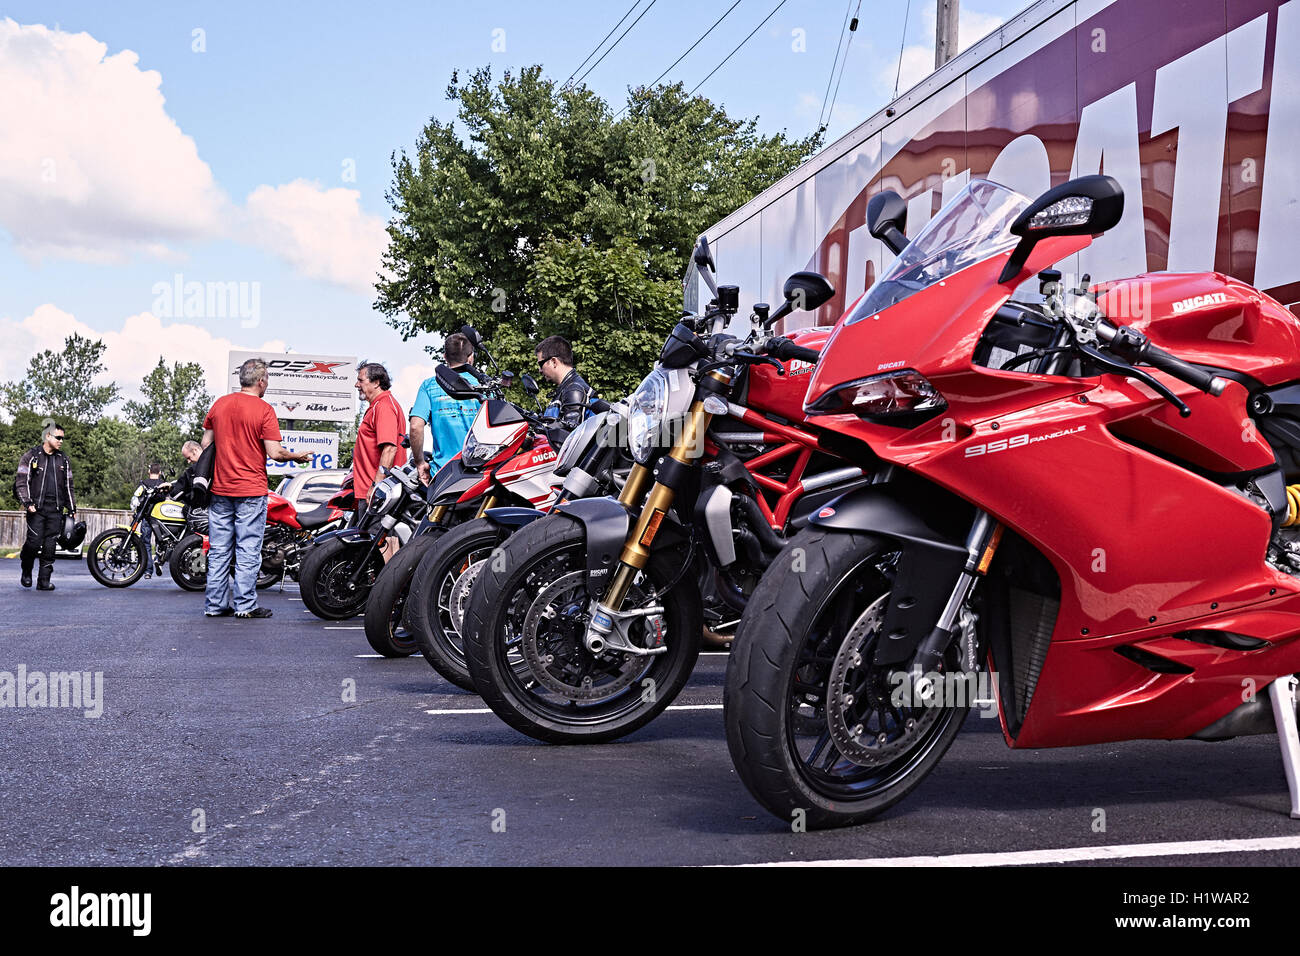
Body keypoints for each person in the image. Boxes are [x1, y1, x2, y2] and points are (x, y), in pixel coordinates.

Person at [201, 358, 310, 619]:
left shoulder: (220, 404)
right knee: (248, 548)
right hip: (251, 489)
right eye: (267, 380)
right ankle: (245, 605)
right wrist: (297, 457)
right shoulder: (263, 410)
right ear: (261, 381)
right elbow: (274, 453)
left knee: (218, 549)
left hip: (220, 489)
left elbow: (206, 444)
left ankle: (215, 605)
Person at [409, 332, 480, 483]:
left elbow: (415, 426)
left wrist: (420, 462)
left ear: (445, 356)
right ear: (470, 357)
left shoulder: (429, 386)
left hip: (442, 474)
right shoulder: (484, 386)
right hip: (478, 473)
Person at [14, 422, 75, 591]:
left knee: (50, 546)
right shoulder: (31, 456)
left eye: (63, 438)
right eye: (58, 437)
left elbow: (69, 485)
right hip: (36, 509)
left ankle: (44, 581)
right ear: (48, 436)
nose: (61, 441)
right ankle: (26, 569)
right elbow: (21, 482)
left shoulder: (64, 460)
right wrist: (27, 502)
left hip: (55, 510)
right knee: (33, 543)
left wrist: (72, 508)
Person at [352, 361, 407, 522]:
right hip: (374, 490)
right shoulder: (378, 405)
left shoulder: (383, 407)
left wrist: (377, 487)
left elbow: (390, 448)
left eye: (361, 380)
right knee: (386, 542)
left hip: (378, 492)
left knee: (377, 544)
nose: (357, 385)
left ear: (376, 383)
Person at [535, 335, 596, 430]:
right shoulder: (564, 390)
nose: (540, 370)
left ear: (554, 362)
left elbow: (569, 432)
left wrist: (540, 429)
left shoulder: (574, 390)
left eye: (540, 364)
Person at [138, 462, 166, 578]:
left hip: (146, 516)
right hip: (160, 518)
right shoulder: (163, 484)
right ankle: (158, 560)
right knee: (161, 542)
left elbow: (138, 499)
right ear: (159, 472)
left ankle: (148, 571)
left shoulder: (143, 484)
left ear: (149, 472)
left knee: (145, 543)